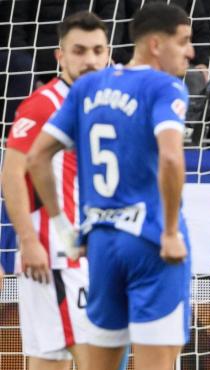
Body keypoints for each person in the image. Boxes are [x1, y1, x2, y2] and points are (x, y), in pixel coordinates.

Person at [25, 3, 193, 370]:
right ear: (154, 44)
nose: (190, 52)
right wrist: (169, 232)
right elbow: (170, 157)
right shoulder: (166, 86)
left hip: (100, 246)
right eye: (183, 41)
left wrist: (62, 228)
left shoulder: (87, 87)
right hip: (151, 245)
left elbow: (36, 157)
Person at [1, 11, 109, 370]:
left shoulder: (103, 105)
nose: (90, 60)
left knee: (52, 362)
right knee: (94, 358)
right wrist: (29, 241)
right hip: (57, 256)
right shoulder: (44, 103)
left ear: (108, 54)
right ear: (60, 56)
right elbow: (12, 173)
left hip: (86, 254)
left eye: (97, 50)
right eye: (79, 50)